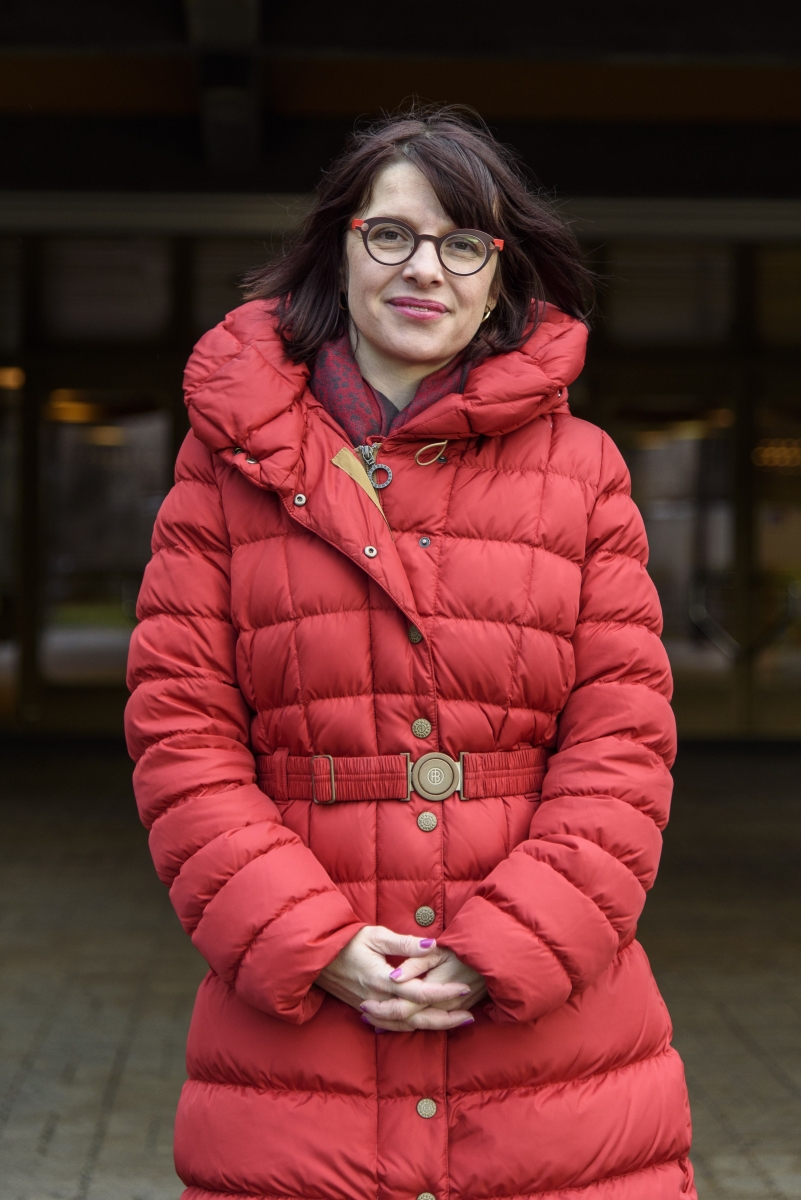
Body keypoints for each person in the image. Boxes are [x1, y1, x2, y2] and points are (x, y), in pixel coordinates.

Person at [126, 107, 695, 1200]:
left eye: (462, 242)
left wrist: (505, 943)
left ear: (499, 275)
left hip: (552, 1032)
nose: (423, 267)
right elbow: (179, 736)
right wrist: (310, 940)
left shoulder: (583, 470)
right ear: (338, 249)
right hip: (300, 1035)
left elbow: (623, 745)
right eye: (390, 233)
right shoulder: (225, 466)